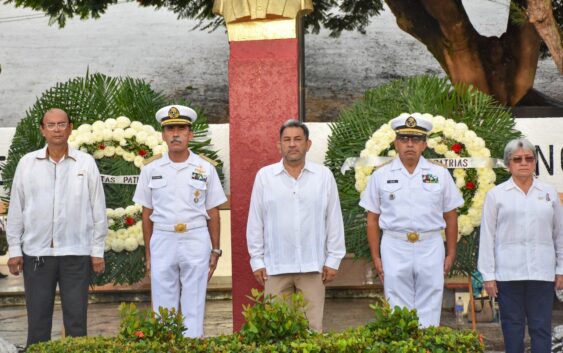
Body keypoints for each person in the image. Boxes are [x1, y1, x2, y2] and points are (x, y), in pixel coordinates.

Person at [6, 108, 107, 346]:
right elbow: (17, 209)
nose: (57, 129)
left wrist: (97, 250)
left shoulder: (86, 163)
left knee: (76, 321)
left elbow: (97, 208)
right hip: (37, 255)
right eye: (51, 125)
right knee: (38, 321)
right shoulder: (27, 163)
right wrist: (15, 250)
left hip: (76, 253)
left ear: (70, 128)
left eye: (62, 124)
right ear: (42, 129)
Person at [359, 113, 463, 327]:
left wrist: (451, 252)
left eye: (416, 140)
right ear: (396, 143)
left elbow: (451, 216)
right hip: (394, 245)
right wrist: (376, 256)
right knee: (397, 303)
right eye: (404, 139)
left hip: (430, 244)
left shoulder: (440, 174)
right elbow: (372, 219)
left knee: (431, 301)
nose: (410, 145)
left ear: (424, 145)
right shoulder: (380, 175)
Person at [133, 105, 227, 338]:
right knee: (163, 304)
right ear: (163, 135)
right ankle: (166, 345)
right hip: (163, 238)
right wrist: (148, 253)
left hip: (196, 237)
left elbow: (213, 211)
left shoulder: (205, 168)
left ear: (190, 134)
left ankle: (193, 345)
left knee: (194, 301)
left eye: (181, 129)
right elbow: (147, 213)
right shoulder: (150, 168)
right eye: (170, 129)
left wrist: (215, 249)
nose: (176, 133)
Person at [246, 119, 346, 332]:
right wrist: (257, 259)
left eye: (298, 139)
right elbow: (256, 220)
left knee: (313, 330)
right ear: (279, 145)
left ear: (308, 144)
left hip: (313, 266)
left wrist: (333, 259)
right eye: (287, 140)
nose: (292, 144)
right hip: (275, 267)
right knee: (277, 331)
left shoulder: (323, 176)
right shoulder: (265, 176)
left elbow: (333, 219)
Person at [478, 138, 563, 353]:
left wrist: (561, 269)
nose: (523, 163)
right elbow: (487, 236)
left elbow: (559, 233)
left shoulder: (549, 193)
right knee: (512, 328)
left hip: (542, 273)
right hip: (508, 275)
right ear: (508, 164)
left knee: (541, 328)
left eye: (529, 158)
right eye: (517, 159)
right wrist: (488, 275)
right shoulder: (496, 195)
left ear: (535, 163)